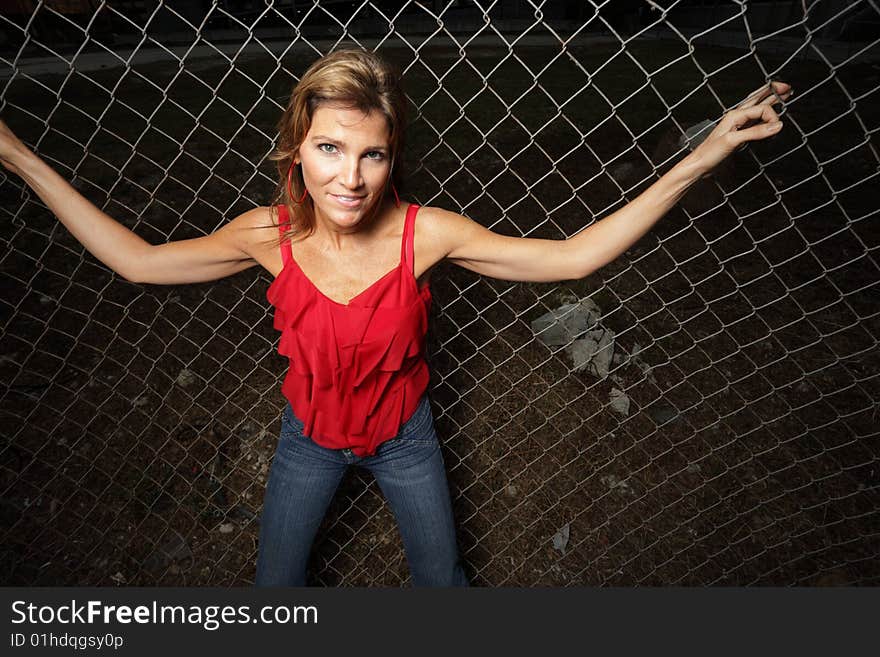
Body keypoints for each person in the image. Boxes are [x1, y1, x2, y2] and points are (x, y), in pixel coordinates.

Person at [0, 48, 790, 586]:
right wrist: (19, 157)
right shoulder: (264, 235)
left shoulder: (426, 235)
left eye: (371, 154)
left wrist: (705, 153)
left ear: (391, 157)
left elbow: (575, 256)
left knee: (441, 583)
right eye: (330, 149)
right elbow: (138, 261)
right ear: (297, 152)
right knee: (276, 586)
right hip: (307, 440)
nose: (349, 177)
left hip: (406, 442)